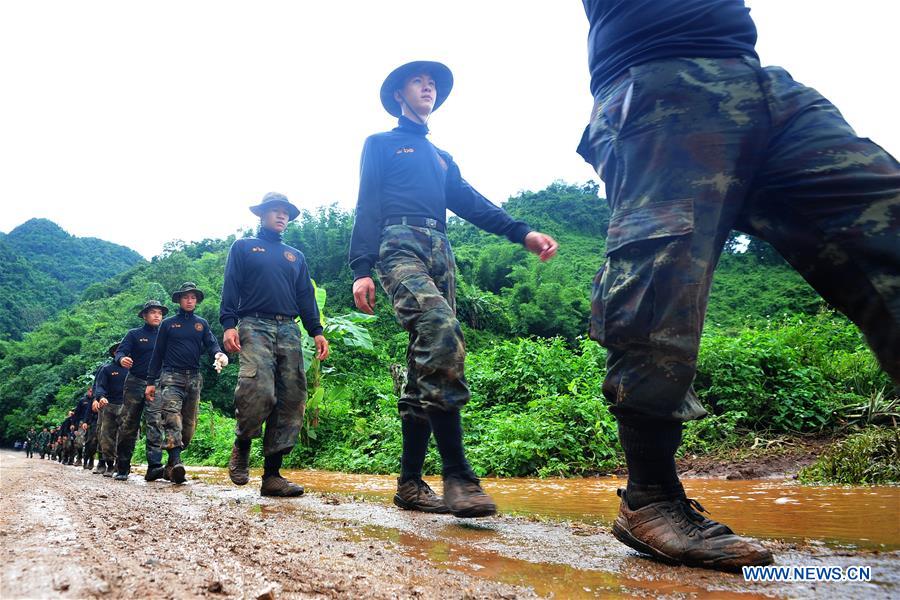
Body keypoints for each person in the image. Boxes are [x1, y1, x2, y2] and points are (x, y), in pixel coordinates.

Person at [576, 0, 899, 572]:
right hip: (656, 83)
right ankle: (650, 497)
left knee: (887, 222)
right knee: (659, 279)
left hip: (763, 83)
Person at [349, 61, 559, 517]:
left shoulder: (442, 157)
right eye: (418, 81)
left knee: (423, 363)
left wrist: (522, 232)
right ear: (399, 94)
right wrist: (361, 267)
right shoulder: (381, 143)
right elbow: (367, 203)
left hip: (441, 252)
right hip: (397, 244)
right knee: (441, 330)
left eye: (432, 84)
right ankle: (459, 475)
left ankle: (409, 484)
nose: (428, 87)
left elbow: (471, 202)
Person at [221, 193, 330, 497]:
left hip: (289, 329)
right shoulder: (244, 247)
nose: (282, 216)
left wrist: (316, 331)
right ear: (262, 214)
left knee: (291, 397)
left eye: (286, 212)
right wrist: (229, 324)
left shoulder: (295, 256)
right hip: (254, 324)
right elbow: (231, 286)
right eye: (276, 211)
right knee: (257, 389)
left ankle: (272, 476)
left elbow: (306, 296)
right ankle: (243, 442)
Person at [145, 282, 226, 484]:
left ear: (196, 300)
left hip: (194, 378)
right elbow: (157, 353)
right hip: (171, 377)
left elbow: (211, 343)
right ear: (179, 300)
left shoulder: (201, 324)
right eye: (186, 297)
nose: (189, 301)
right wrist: (150, 382)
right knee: (172, 418)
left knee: (189, 426)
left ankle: (170, 467)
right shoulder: (168, 324)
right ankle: (177, 461)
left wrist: (219, 354)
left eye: (193, 297)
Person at [113, 300, 167, 481]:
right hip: (135, 382)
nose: (157, 315)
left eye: (159, 312)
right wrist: (121, 360)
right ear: (144, 315)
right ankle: (122, 466)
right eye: (152, 312)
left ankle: (154, 466)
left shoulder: (166, 335)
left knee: (155, 422)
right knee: (128, 424)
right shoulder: (134, 334)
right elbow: (120, 352)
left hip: (157, 384)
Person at [94, 343, 129, 476]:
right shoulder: (107, 369)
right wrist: (101, 397)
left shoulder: (133, 369)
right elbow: (100, 386)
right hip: (109, 406)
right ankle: (109, 464)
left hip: (127, 406)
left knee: (125, 436)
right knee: (107, 436)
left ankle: (123, 464)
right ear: (115, 353)